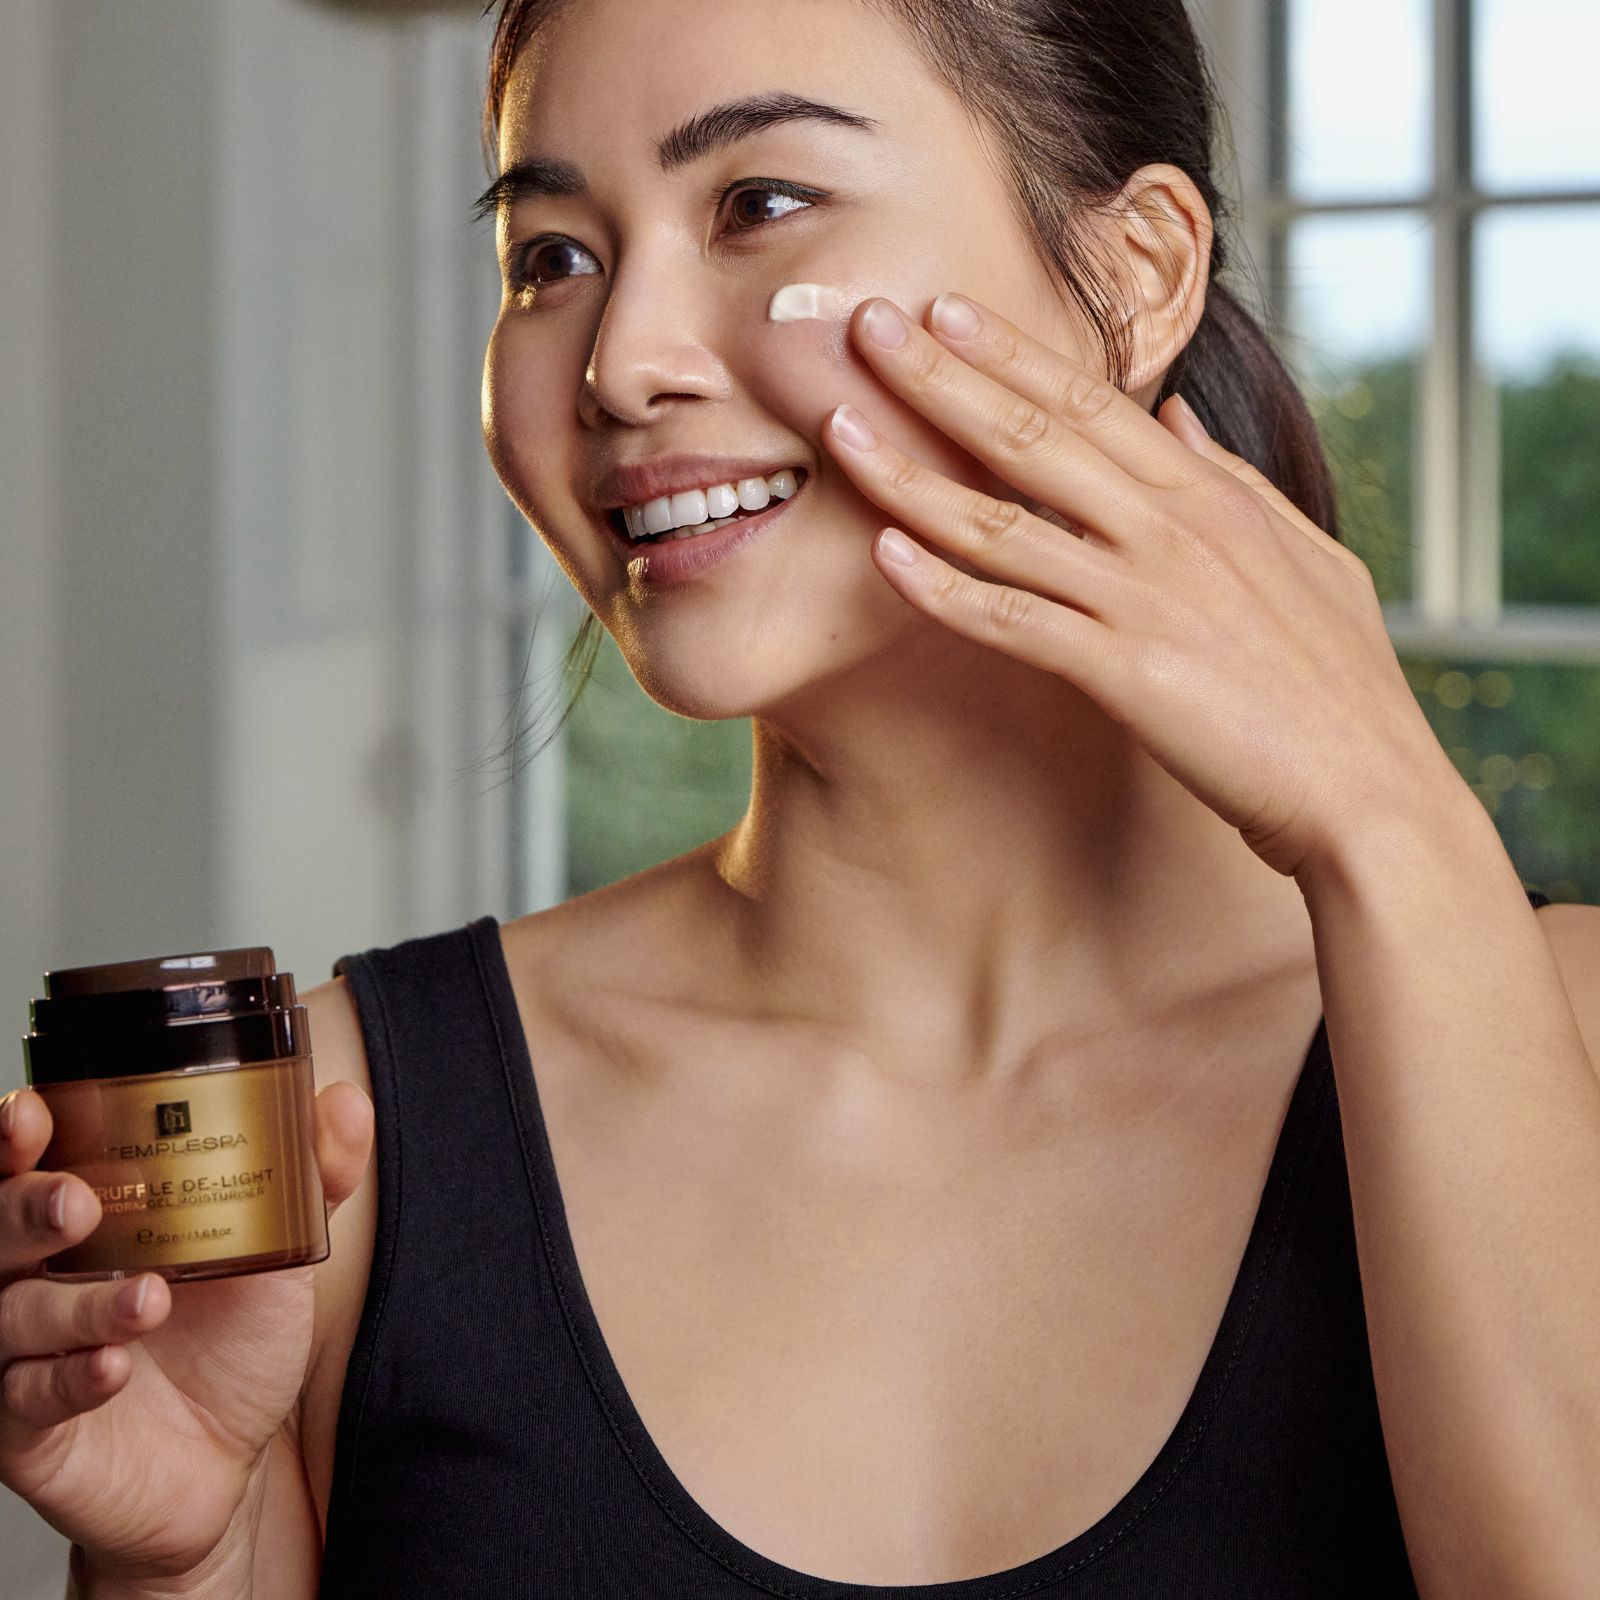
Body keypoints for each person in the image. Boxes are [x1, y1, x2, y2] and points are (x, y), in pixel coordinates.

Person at [6, 1, 1599, 1595]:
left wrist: (1390, 823)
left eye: (760, 203)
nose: (622, 362)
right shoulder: (347, 1139)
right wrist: (180, 1556)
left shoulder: (1567, 1048)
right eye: (552, 256)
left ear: (1137, 274)